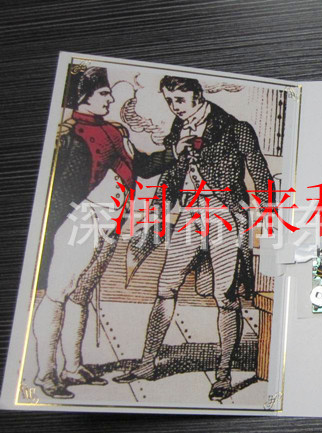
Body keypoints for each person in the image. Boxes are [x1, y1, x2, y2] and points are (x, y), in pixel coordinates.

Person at [113, 76, 274, 401]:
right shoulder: (180, 127)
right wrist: (158, 210)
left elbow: (261, 174)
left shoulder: (235, 128)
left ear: (198, 96)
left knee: (225, 296)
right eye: (169, 101)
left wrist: (270, 218)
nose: (175, 107)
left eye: (180, 100)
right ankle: (147, 364)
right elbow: (173, 174)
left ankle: (223, 375)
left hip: (224, 214)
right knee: (165, 287)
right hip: (189, 214)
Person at [32, 66, 176, 399]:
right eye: (103, 93)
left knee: (80, 296)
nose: (110, 99)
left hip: (110, 223)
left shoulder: (114, 130)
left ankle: (73, 367)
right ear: (83, 96)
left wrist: (174, 153)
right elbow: (57, 192)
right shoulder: (68, 136)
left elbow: (139, 166)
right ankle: (45, 373)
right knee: (57, 295)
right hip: (78, 221)